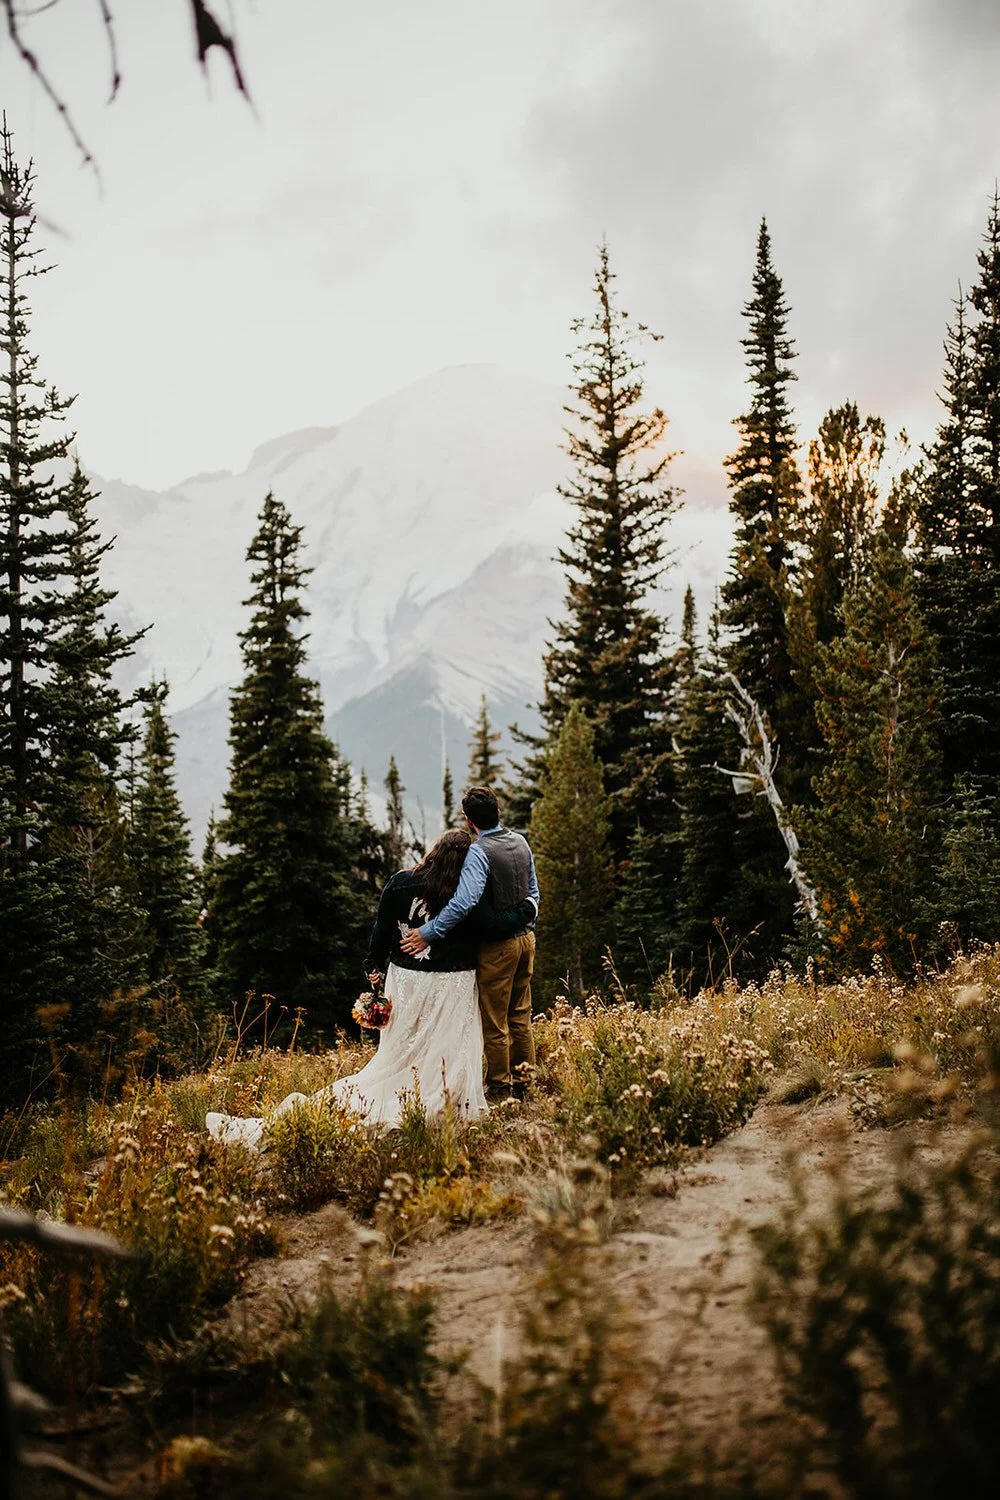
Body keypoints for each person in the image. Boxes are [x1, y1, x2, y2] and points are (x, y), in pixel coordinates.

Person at [206, 828, 535, 1148]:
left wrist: (373, 966)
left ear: (433, 853)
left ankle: (390, 1095)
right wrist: (528, 908)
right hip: (454, 981)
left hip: (407, 978)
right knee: (448, 1046)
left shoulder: (400, 883)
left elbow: (382, 928)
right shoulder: (466, 895)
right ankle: (442, 1096)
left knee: (400, 1049)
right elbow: (493, 926)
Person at [401, 786, 539, 1103]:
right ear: (498, 812)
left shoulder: (479, 852)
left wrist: (429, 931)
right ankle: (525, 1083)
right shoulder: (520, 841)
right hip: (526, 941)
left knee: (494, 1020)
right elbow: (533, 892)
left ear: (468, 821)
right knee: (520, 1015)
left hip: (498, 948)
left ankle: (500, 1088)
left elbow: (464, 903)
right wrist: (527, 919)